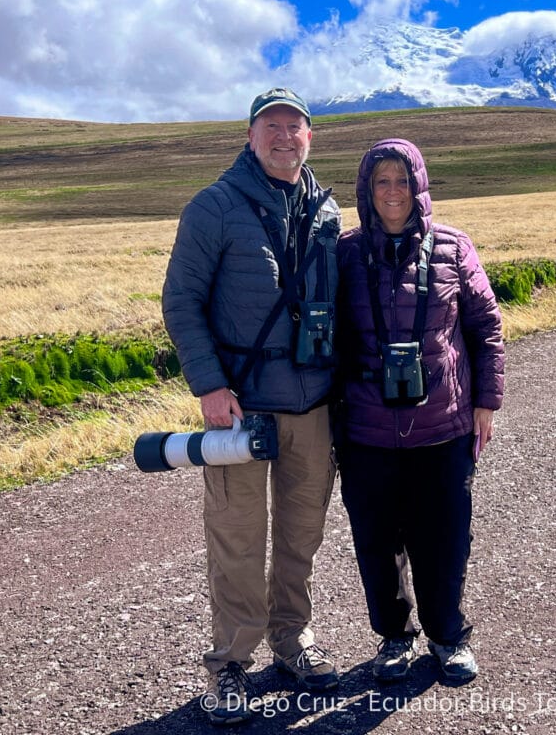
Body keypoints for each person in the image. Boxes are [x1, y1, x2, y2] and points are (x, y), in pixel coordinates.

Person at [162, 88, 341, 725]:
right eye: (272, 126)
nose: (284, 136)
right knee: (237, 538)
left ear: (310, 137)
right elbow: (180, 302)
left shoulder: (327, 209)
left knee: (302, 534)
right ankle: (231, 663)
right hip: (240, 407)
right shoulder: (212, 207)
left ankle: (292, 640)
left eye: (296, 126)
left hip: (314, 405)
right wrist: (209, 386)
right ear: (249, 136)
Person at [335, 138, 505, 684]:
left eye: (402, 180)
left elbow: (486, 330)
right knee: (377, 543)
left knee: (446, 537)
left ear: (420, 186)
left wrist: (486, 400)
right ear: (366, 189)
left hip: (444, 426)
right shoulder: (345, 253)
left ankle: (448, 637)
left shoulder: (455, 247)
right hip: (365, 430)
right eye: (381, 181)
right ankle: (393, 638)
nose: (392, 192)